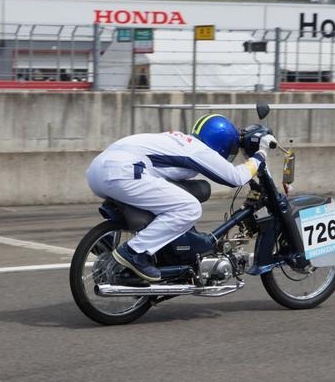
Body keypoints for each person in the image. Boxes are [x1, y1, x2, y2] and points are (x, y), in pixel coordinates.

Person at [86, 114, 276, 281]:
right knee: (189, 208)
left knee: (169, 199)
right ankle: (134, 252)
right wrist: (260, 155)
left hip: (98, 171)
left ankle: (107, 242)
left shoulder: (179, 140)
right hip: (125, 173)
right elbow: (236, 177)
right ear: (222, 145)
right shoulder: (200, 150)